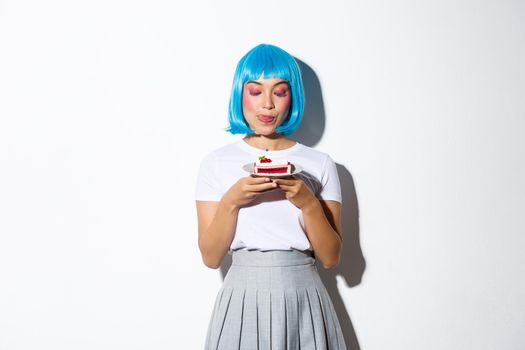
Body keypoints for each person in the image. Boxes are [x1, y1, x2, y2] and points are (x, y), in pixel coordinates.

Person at [195, 43, 347, 349]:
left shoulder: (320, 164)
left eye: (279, 92)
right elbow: (211, 257)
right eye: (256, 91)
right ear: (241, 94)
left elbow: (331, 258)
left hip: (304, 294)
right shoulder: (216, 162)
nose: (267, 104)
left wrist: (307, 202)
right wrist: (231, 201)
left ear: (293, 97)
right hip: (242, 297)